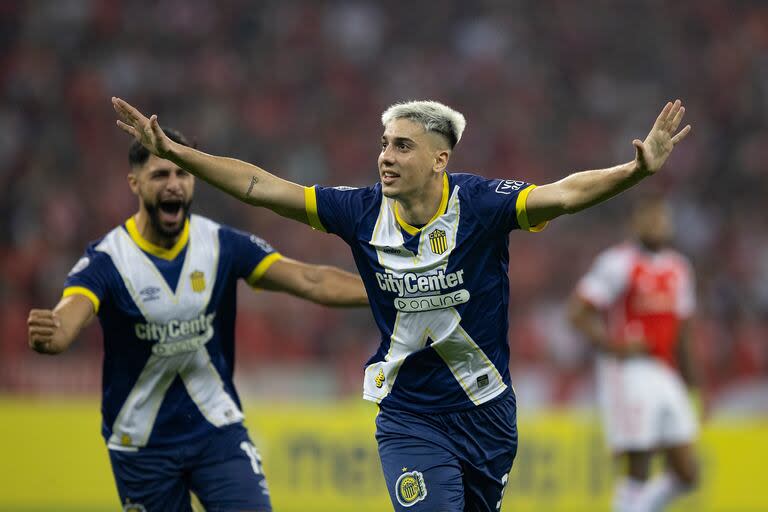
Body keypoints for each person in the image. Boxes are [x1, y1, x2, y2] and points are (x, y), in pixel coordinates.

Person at [111, 96, 691, 511]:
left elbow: (564, 194)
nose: (386, 156)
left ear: (439, 160)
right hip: (409, 418)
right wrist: (182, 157)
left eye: (403, 146)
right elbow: (263, 187)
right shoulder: (359, 210)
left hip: (489, 417)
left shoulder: (484, 204)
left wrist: (635, 170)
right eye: (385, 144)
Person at [26, 128, 368, 512]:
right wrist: (52, 335)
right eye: (160, 175)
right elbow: (69, 316)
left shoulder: (221, 244)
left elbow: (310, 279)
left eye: (182, 174)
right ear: (134, 183)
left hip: (216, 433)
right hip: (141, 445)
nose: (174, 185)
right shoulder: (107, 261)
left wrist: (387, 291)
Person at [569, 197, 700, 512]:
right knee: (639, 462)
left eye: (661, 219)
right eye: (649, 219)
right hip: (628, 371)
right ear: (634, 223)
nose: (656, 225)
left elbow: (683, 332)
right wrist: (613, 343)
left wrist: (695, 384)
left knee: (687, 472)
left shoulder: (679, 268)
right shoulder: (618, 263)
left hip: (665, 371)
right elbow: (578, 313)